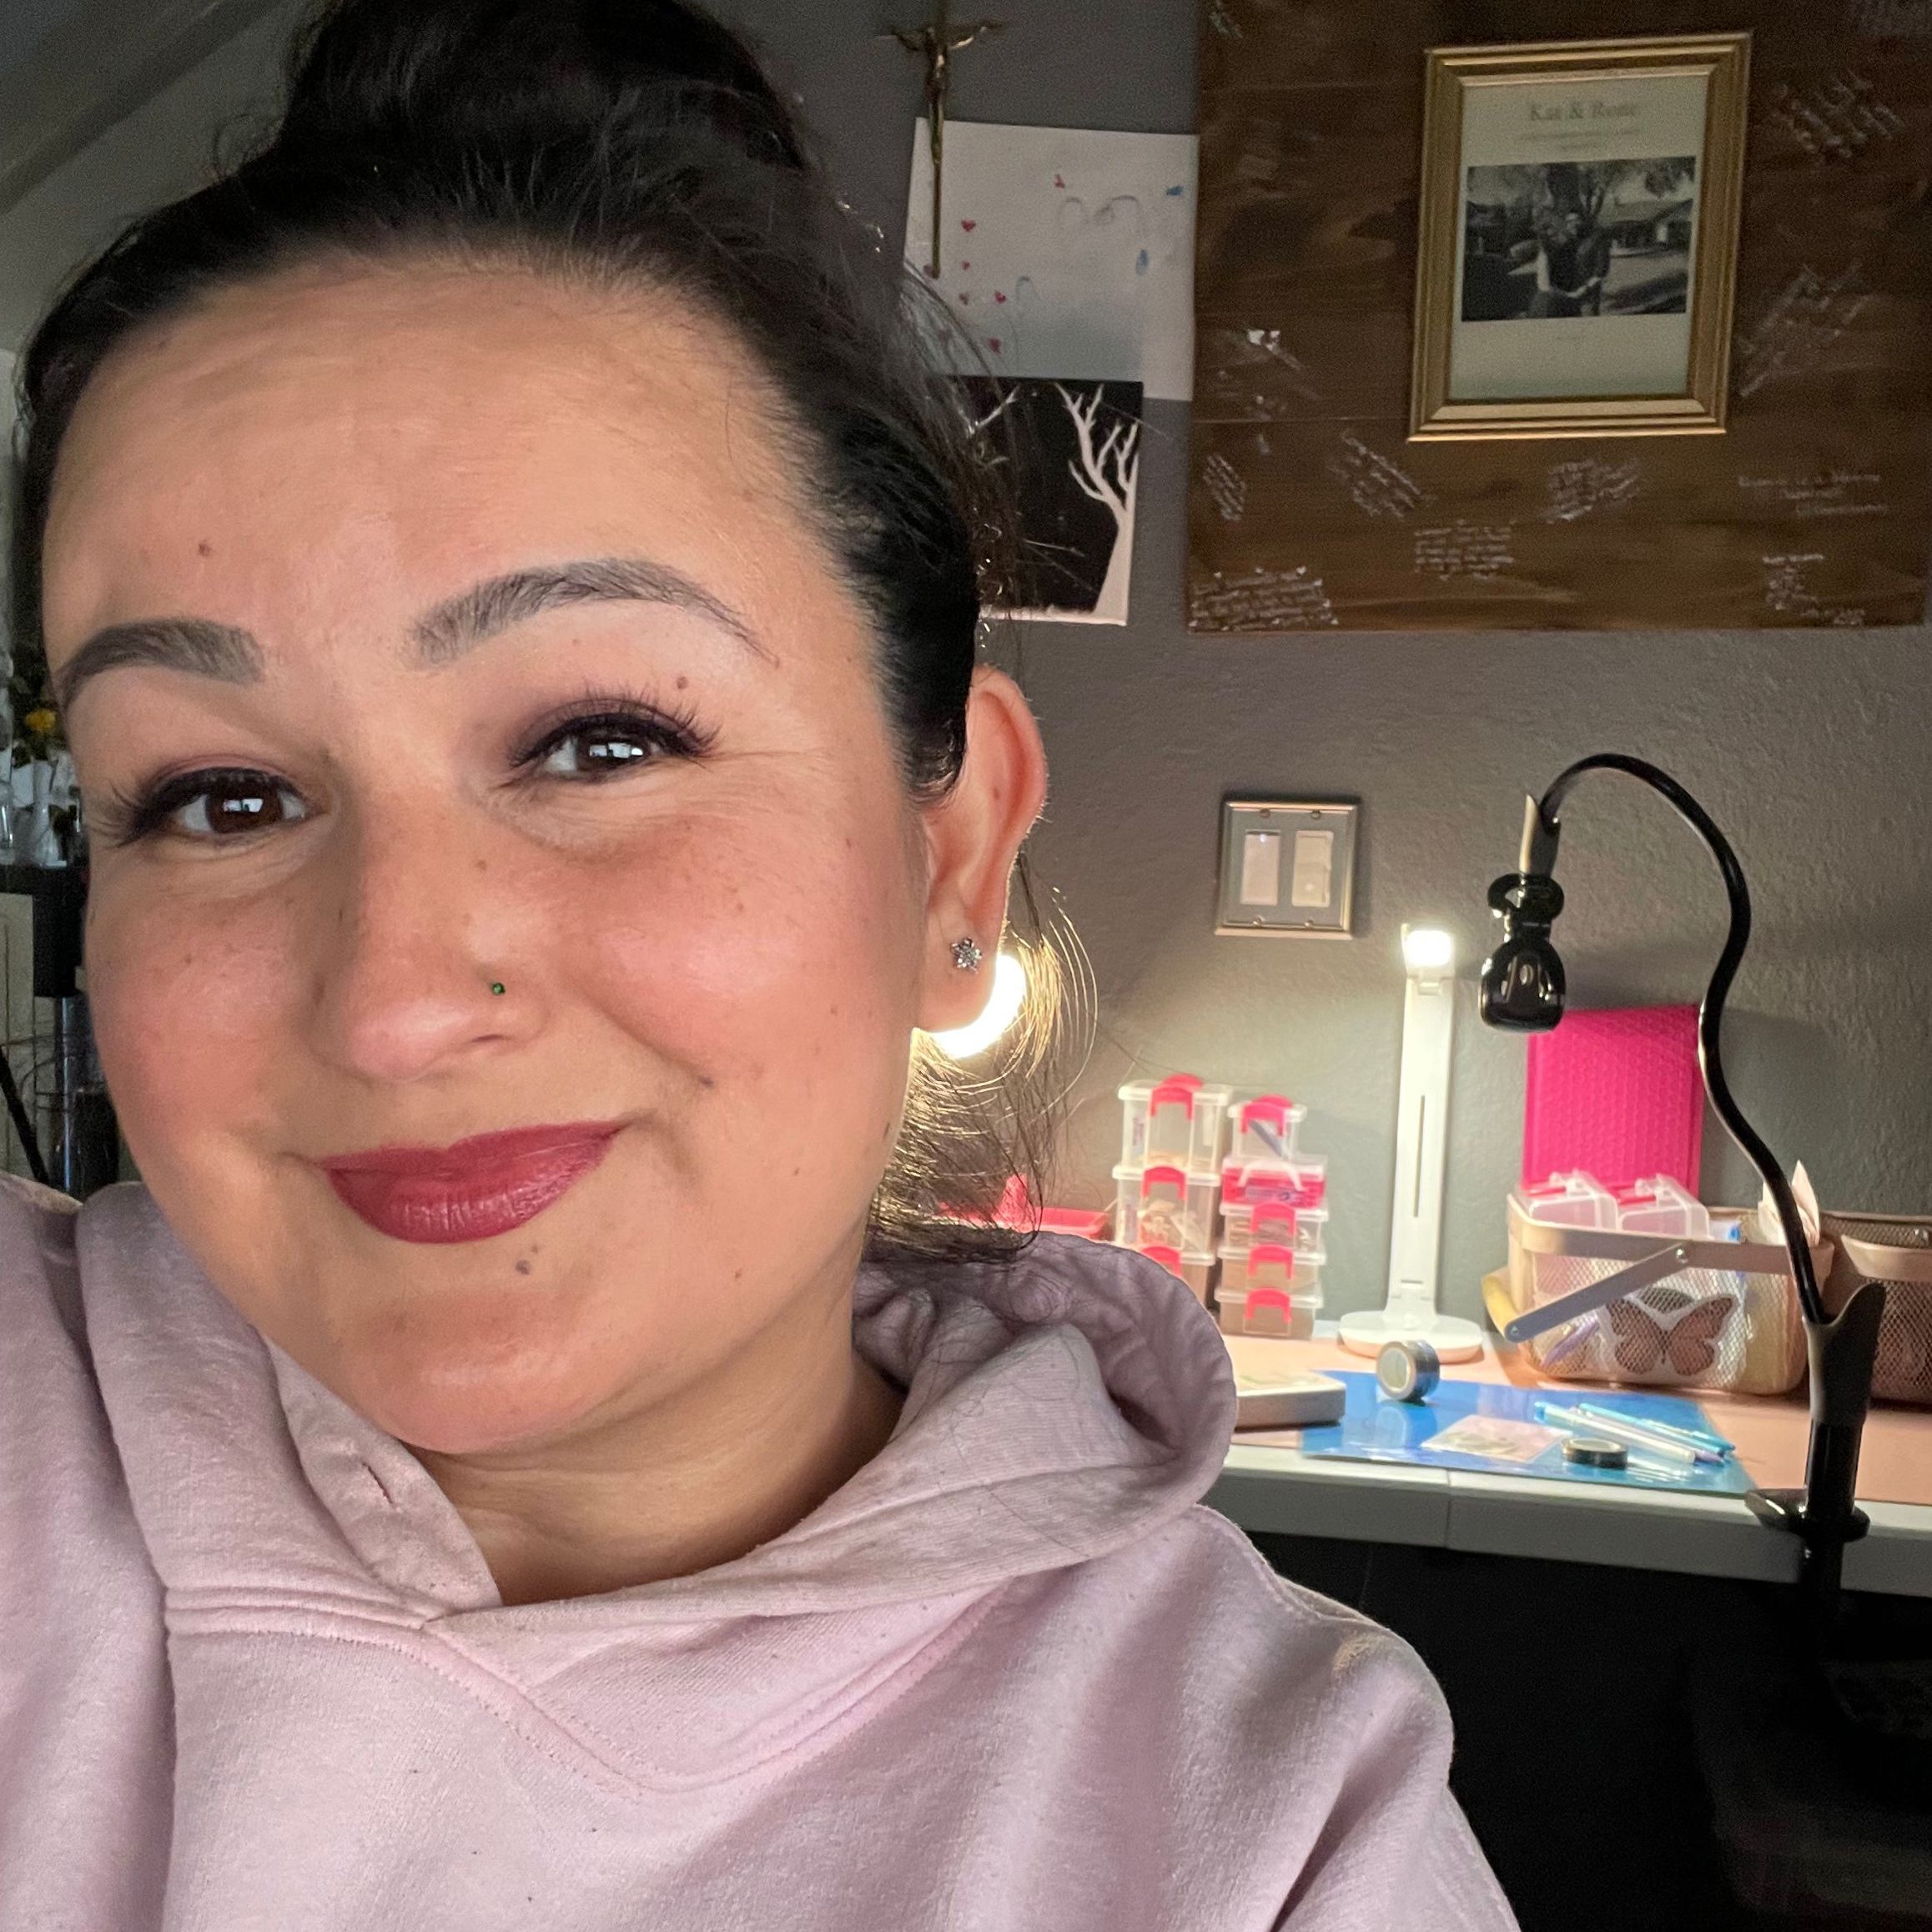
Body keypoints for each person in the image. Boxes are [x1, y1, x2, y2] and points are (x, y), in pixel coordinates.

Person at [0, 3, 1517, 1925]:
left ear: (948, 843)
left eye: (600, 743)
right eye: (216, 798)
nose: (389, 1001)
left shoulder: (1278, 1824)